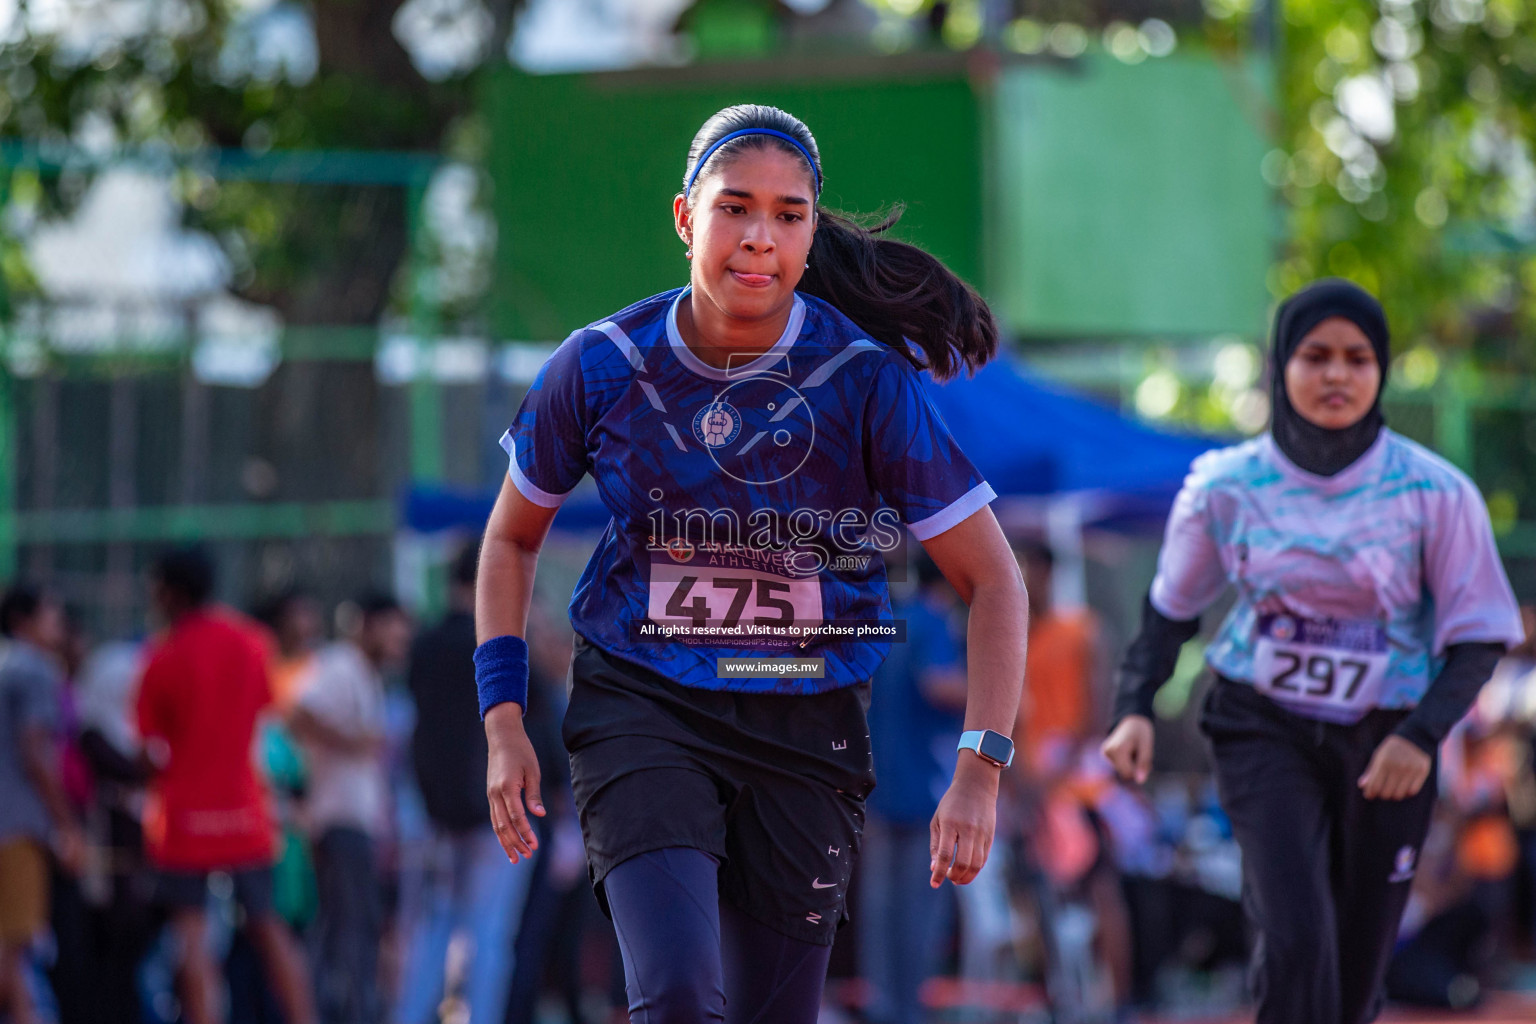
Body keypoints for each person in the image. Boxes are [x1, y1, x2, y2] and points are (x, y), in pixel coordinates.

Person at [477, 103, 1029, 1024]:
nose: (759, 238)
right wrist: (502, 719)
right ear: (686, 217)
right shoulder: (603, 365)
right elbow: (509, 538)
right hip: (643, 704)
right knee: (684, 998)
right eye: (734, 208)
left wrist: (980, 768)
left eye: (788, 215)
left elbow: (994, 582)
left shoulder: (862, 382)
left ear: (813, 234)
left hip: (805, 723)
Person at [1101, 279, 1525, 1024]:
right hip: (1263, 725)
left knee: (1356, 976)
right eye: (1315, 356)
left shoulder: (1434, 492)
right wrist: (1135, 706)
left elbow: (1479, 633)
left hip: (1388, 739)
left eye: (1358, 359)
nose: (1336, 375)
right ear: (1279, 368)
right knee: (1297, 938)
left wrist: (1420, 735)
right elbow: (1172, 609)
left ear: (1382, 370)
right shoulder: (1224, 487)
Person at [135, 547, 316, 1024]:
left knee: (192, 936)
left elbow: (151, 746)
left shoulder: (162, 655)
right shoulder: (252, 642)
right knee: (271, 929)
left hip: (183, 817)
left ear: (170, 592)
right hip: (244, 810)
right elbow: (265, 709)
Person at [399, 543, 535, 1024]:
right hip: (497, 814)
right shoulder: (503, 647)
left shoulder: (424, 644)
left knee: (431, 930)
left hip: (432, 815)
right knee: (490, 934)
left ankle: (413, 1016)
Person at [288, 593, 410, 1024]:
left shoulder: (366, 674)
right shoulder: (340, 664)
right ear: (369, 626)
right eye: (392, 631)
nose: (398, 642)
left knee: (345, 930)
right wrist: (352, 743)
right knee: (350, 932)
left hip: (353, 825)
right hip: (338, 823)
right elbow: (297, 714)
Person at [858, 553, 966, 1024]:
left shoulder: (888, 623)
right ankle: (911, 1010)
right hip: (925, 787)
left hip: (877, 782)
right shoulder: (934, 621)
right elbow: (938, 683)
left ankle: (883, 1004)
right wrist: (999, 693)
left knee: (879, 908)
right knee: (921, 908)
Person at [0, 585, 81, 1024]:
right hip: (18, 827)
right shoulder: (34, 671)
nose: (58, 624)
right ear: (23, 620)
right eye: (50, 613)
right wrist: (65, 823)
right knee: (14, 938)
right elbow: (35, 753)